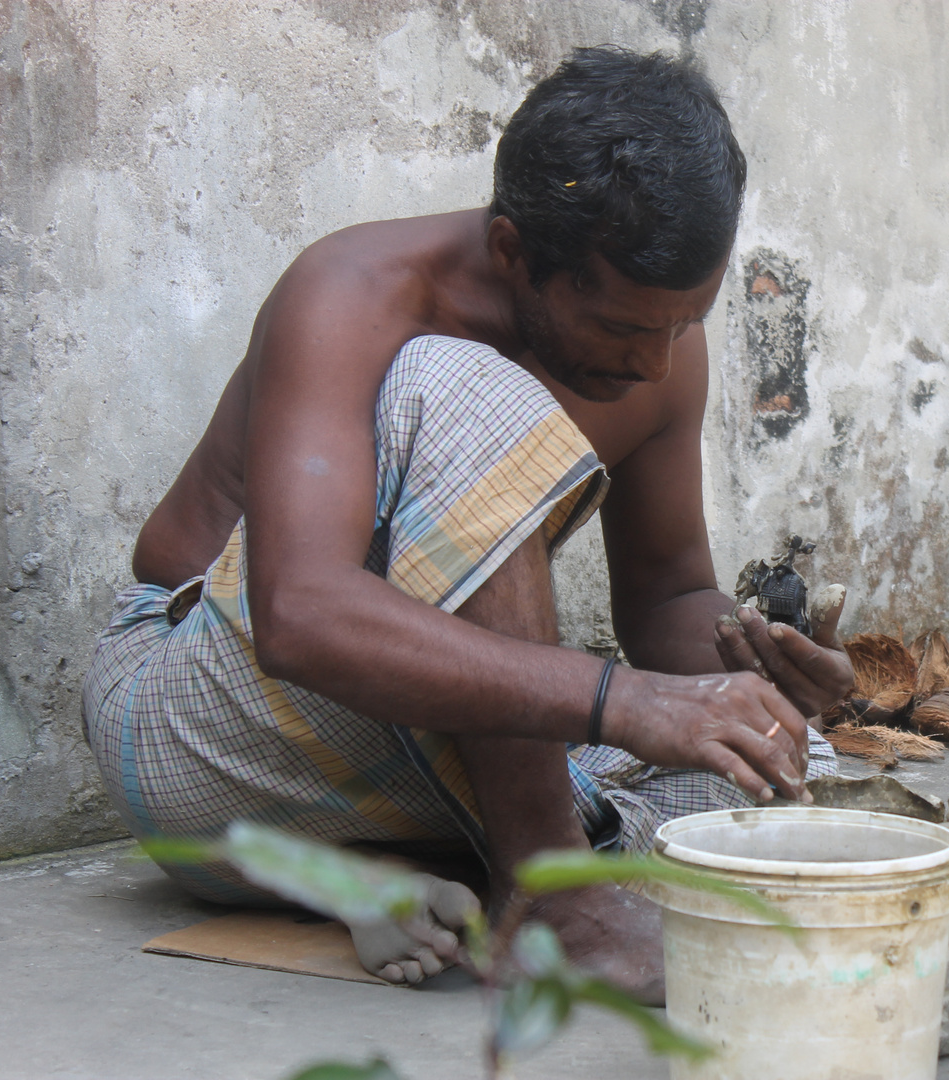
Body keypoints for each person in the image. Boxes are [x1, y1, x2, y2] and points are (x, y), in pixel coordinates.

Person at [81, 46, 854, 1004]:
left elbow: (665, 601)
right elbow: (299, 616)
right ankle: (551, 898)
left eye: (682, 325)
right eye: (622, 330)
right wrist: (628, 702)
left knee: (781, 779)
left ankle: (395, 882)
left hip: (385, 775)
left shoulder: (660, 349)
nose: (655, 364)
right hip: (196, 729)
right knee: (457, 381)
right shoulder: (356, 292)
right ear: (511, 254)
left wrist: (752, 669)